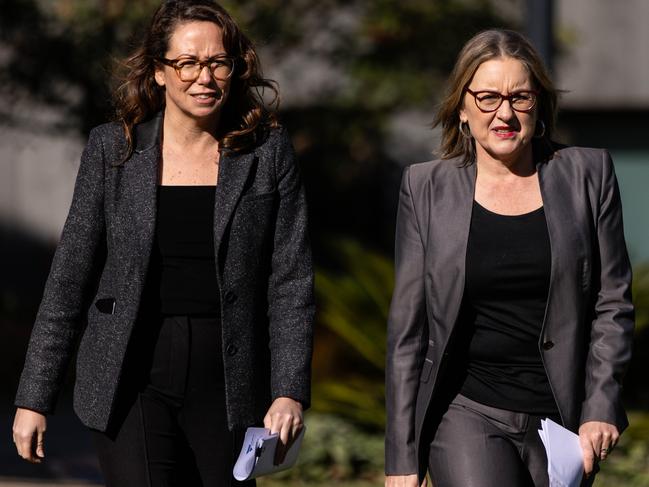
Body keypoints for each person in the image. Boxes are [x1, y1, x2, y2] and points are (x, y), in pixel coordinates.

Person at [12, 1, 314, 485]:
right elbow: (70, 277)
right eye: (188, 63)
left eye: (218, 62)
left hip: (228, 379)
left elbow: (291, 282)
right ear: (159, 71)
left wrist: (289, 391)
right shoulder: (114, 150)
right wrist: (34, 396)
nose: (205, 77)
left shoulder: (267, 153)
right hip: (130, 376)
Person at [384, 29, 634, 487]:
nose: (504, 112)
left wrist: (600, 408)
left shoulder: (589, 174)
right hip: (466, 409)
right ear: (462, 107)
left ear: (538, 103)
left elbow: (612, 303)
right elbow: (409, 331)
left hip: (560, 420)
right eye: (486, 98)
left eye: (519, 97)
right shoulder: (425, 189)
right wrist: (401, 458)